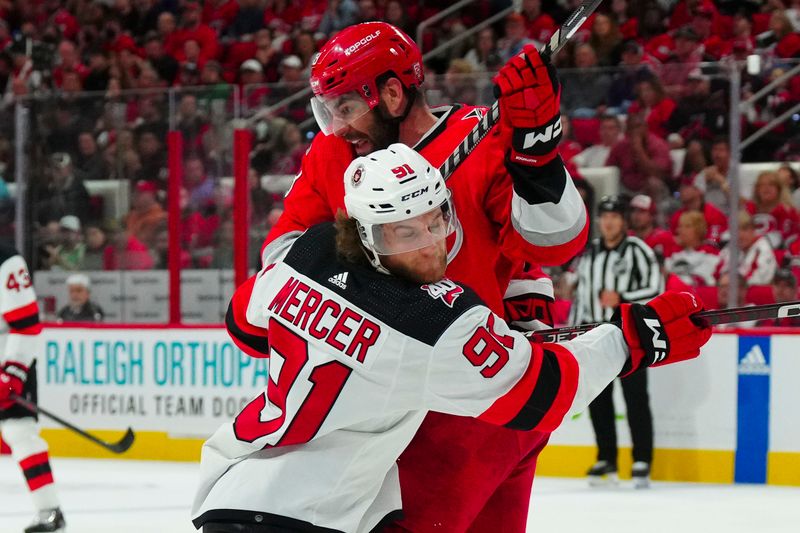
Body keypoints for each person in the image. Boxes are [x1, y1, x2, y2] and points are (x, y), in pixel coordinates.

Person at [192, 145, 712, 532]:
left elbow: (244, 326)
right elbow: (543, 394)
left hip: (229, 496)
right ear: (368, 234)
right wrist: (630, 341)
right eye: (404, 232)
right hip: (308, 521)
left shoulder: (304, 253)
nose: (430, 245)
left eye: (436, 218)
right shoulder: (432, 320)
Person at [261, 21, 588, 532]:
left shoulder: (483, 139)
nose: (336, 126)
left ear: (392, 93)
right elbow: (282, 254)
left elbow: (553, 243)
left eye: (345, 107)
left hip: (470, 402)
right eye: (328, 110)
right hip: (386, 406)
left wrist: (538, 151)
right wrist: (353, 262)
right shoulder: (334, 156)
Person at [569, 196, 663, 488]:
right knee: (598, 397)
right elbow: (582, 294)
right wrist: (575, 330)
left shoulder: (638, 250)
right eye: (604, 216)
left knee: (635, 398)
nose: (608, 222)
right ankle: (606, 457)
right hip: (596, 336)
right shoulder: (591, 252)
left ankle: (642, 459)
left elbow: (656, 289)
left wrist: (622, 300)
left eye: (614, 216)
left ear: (624, 221)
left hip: (630, 336)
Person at [0, 245, 66, 532]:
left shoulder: (6, 260)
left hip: (10, 359)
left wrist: (12, 372)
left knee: (20, 433)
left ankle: (49, 511)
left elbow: (27, 325)